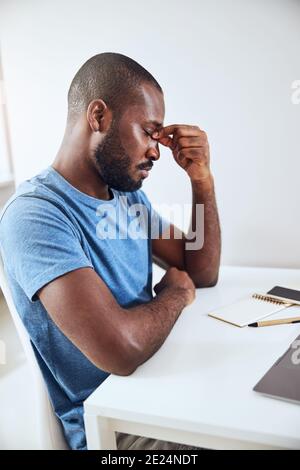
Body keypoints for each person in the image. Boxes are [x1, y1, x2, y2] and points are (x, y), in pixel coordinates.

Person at [0, 53, 221, 450]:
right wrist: (174, 294)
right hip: (119, 433)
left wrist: (201, 178)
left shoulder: (126, 197)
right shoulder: (35, 215)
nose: (156, 151)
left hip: (165, 388)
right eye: (148, 132)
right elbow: (122, 350)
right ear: (98, 116)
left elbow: (200, 271)